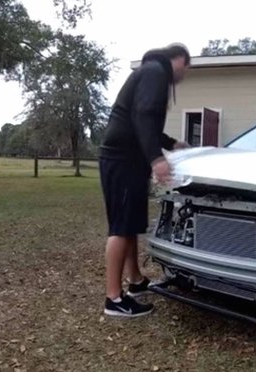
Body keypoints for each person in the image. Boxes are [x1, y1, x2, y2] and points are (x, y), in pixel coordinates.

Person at [98, 43, 191, 317]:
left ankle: (136, 281)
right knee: (120, 227)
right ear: (180, 60)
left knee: (130, 225)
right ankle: (113, 299)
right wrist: (156, 158)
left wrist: (171, 143)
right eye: (187, 68)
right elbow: (142, 115)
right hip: (123, 159)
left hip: (128, 159)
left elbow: (143, 122)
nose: (185, 75)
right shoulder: (155, 72)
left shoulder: (150, 71)